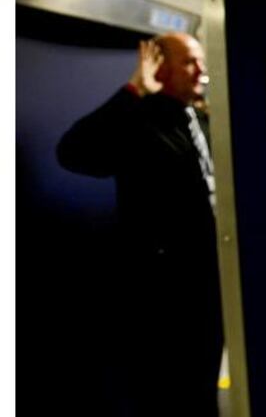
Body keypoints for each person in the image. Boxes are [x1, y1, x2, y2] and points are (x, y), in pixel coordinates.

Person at [57, 33, 223, 417]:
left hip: (208, 283)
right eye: (189, 62)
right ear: (160, 66)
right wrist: (134, 89)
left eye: (201, 61)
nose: (201, 71)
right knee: (169, 393)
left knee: (203, 387)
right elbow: (72, 152)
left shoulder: (198, 117)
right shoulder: (138, 122)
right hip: (164, 292)